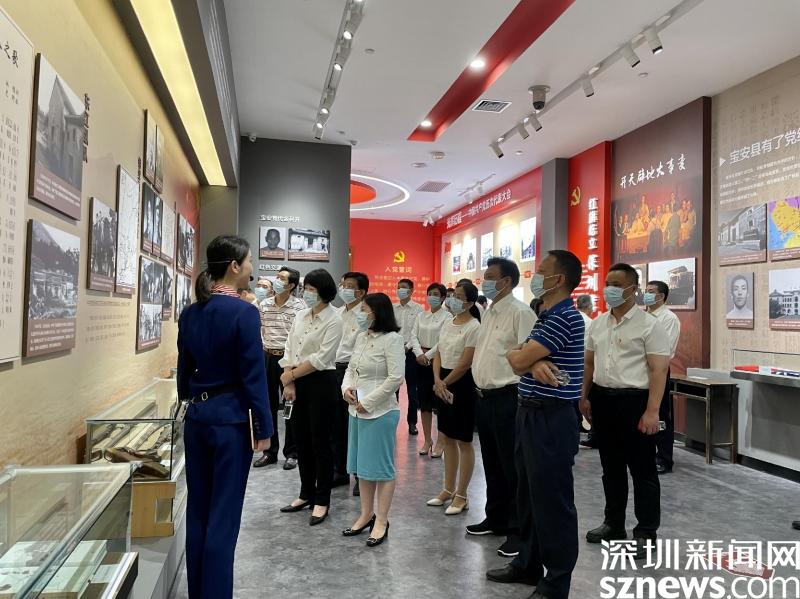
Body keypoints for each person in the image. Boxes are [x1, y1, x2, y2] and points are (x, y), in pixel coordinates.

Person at [177, 235, 273, 599]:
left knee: (198, 512)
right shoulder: (245, 313)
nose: (251, 268)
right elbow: (254, 377)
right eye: (248, 262)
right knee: (224, 517)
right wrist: (263, 427)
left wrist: (190, 400)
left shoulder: (191, 312)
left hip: (197, 418)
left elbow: (184, 372)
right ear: (234, 267)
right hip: (231, 423)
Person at [487, 250, 585, 599]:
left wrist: (524, 359)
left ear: (559, 279)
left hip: (551, 417)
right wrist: (530, 361)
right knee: (527, 494)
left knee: (552, 501)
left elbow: (516, 358)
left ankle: (556, 582)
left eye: (542, 271)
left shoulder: (564, 317)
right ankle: (528, 563)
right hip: (529, 411)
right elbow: (517, 353)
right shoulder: (544, 314)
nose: (536, 276)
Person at [581, 263, 671, 560]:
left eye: (618, 284)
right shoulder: (598, 324)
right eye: (608, 283)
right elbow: (589, 363)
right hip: (603, 400)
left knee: (643, 470)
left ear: (634, 289)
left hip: (636, 402)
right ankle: (614, 524)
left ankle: (646, 532)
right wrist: (584, 397)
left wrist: (652, 411)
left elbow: (659, 370)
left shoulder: (650, 325)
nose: (610, 289)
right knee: (611, 468)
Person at [468, 257, 537, 558]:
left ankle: (517, 530)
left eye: (490, 277)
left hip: (509, 396)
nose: (484, 282)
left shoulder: (520, 313)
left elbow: (529, 356)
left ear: (506, 281)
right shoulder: (489, 311)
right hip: (484, 397)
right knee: (492, 462)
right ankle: (495, 517)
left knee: (513, 467)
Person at [279, 269, 343, 525]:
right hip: (295, 382)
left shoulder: (334, 319)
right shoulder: (301, 315)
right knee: (301, 440)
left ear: (324, 292)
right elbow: (289, 347)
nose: (307, 293)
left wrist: (290, 375)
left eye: (312, 289)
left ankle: (322, 499)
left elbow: (322, 358)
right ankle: (306, 493)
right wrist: (289, 379)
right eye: (306, 289)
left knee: (320, 443)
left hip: (320, 383)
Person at [341, 293, 405, 547]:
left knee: (382, 469)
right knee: (363, 468)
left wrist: (369, 402)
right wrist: (345, 390)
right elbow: (350, 369)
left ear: (377, 313)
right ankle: (366, 514)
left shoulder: (392, 339)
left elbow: (395, 378)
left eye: (364, 310)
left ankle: (382, 520)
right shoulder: (362, 337)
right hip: (357, 411)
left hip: (380, 413)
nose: (360, 314)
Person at [426, 281, 480, 515]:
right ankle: (447, 489)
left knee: (463, 440)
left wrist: (444, 383)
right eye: (452, 295)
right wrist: (437, 380)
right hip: (442, 382)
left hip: (462, 384)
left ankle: (462, 494)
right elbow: (438, 353)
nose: (453, 300)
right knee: (447, 437)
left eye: (458, 296)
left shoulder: (474, 326)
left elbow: (465, 363)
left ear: (469, 302)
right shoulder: (448, 322)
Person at [253, 267, 305, 469]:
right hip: (267, 357)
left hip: (288, 360)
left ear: (291, 285)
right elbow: (259, 330)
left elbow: (299, 337)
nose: (277, 281)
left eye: (282, 278)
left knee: (290, 406)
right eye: (277, 277)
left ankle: (292, 452)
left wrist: (290, 364)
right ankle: (270, 452)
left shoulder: (299, 306)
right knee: (268, 405)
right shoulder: (264, 304)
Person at [333, 272, 369, 495]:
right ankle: (340, 471)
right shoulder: (337, 313)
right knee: (337, 425)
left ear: (361, 292)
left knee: (357, 425)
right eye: (342, 284)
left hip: (356, 372)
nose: (343, 289)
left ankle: (360, 474)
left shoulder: (365, 315)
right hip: (335, 371)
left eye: (349, 286)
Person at [410, 282, 452, 456]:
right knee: (424, 403)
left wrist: (427, 356)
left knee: (440, 403)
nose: (432, 297)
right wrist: (419, 354)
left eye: (436, 294)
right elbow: (413, 336)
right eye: (430, 294)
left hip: (439, 361)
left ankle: (441, 441)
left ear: (442, 298)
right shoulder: (421, 315)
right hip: (420, 362)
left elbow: (443, 340)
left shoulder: (447, 317)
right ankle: (427, 440)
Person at [644, 280, 681, 475]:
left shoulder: (669, 318)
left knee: (660, 413)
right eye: (646, 290)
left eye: (651, 291)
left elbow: (665, 349)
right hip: (642, 371)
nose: (647, 294)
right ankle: (647, 455)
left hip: (659, 370)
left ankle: (664, 458)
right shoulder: (644, 316)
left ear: (661, 296)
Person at [393, 278, 424, 435]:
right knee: (393, 389)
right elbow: (390, 329)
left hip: (411, 353)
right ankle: (392, 422)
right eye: (398, 287)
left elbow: (417, 333)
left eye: (404, 287)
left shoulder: (419, 309)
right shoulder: (393, 308)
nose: (400, 290)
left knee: (412, 390)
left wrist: (407, 347)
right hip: (394, 352)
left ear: (411, 291)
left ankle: (412, 422)